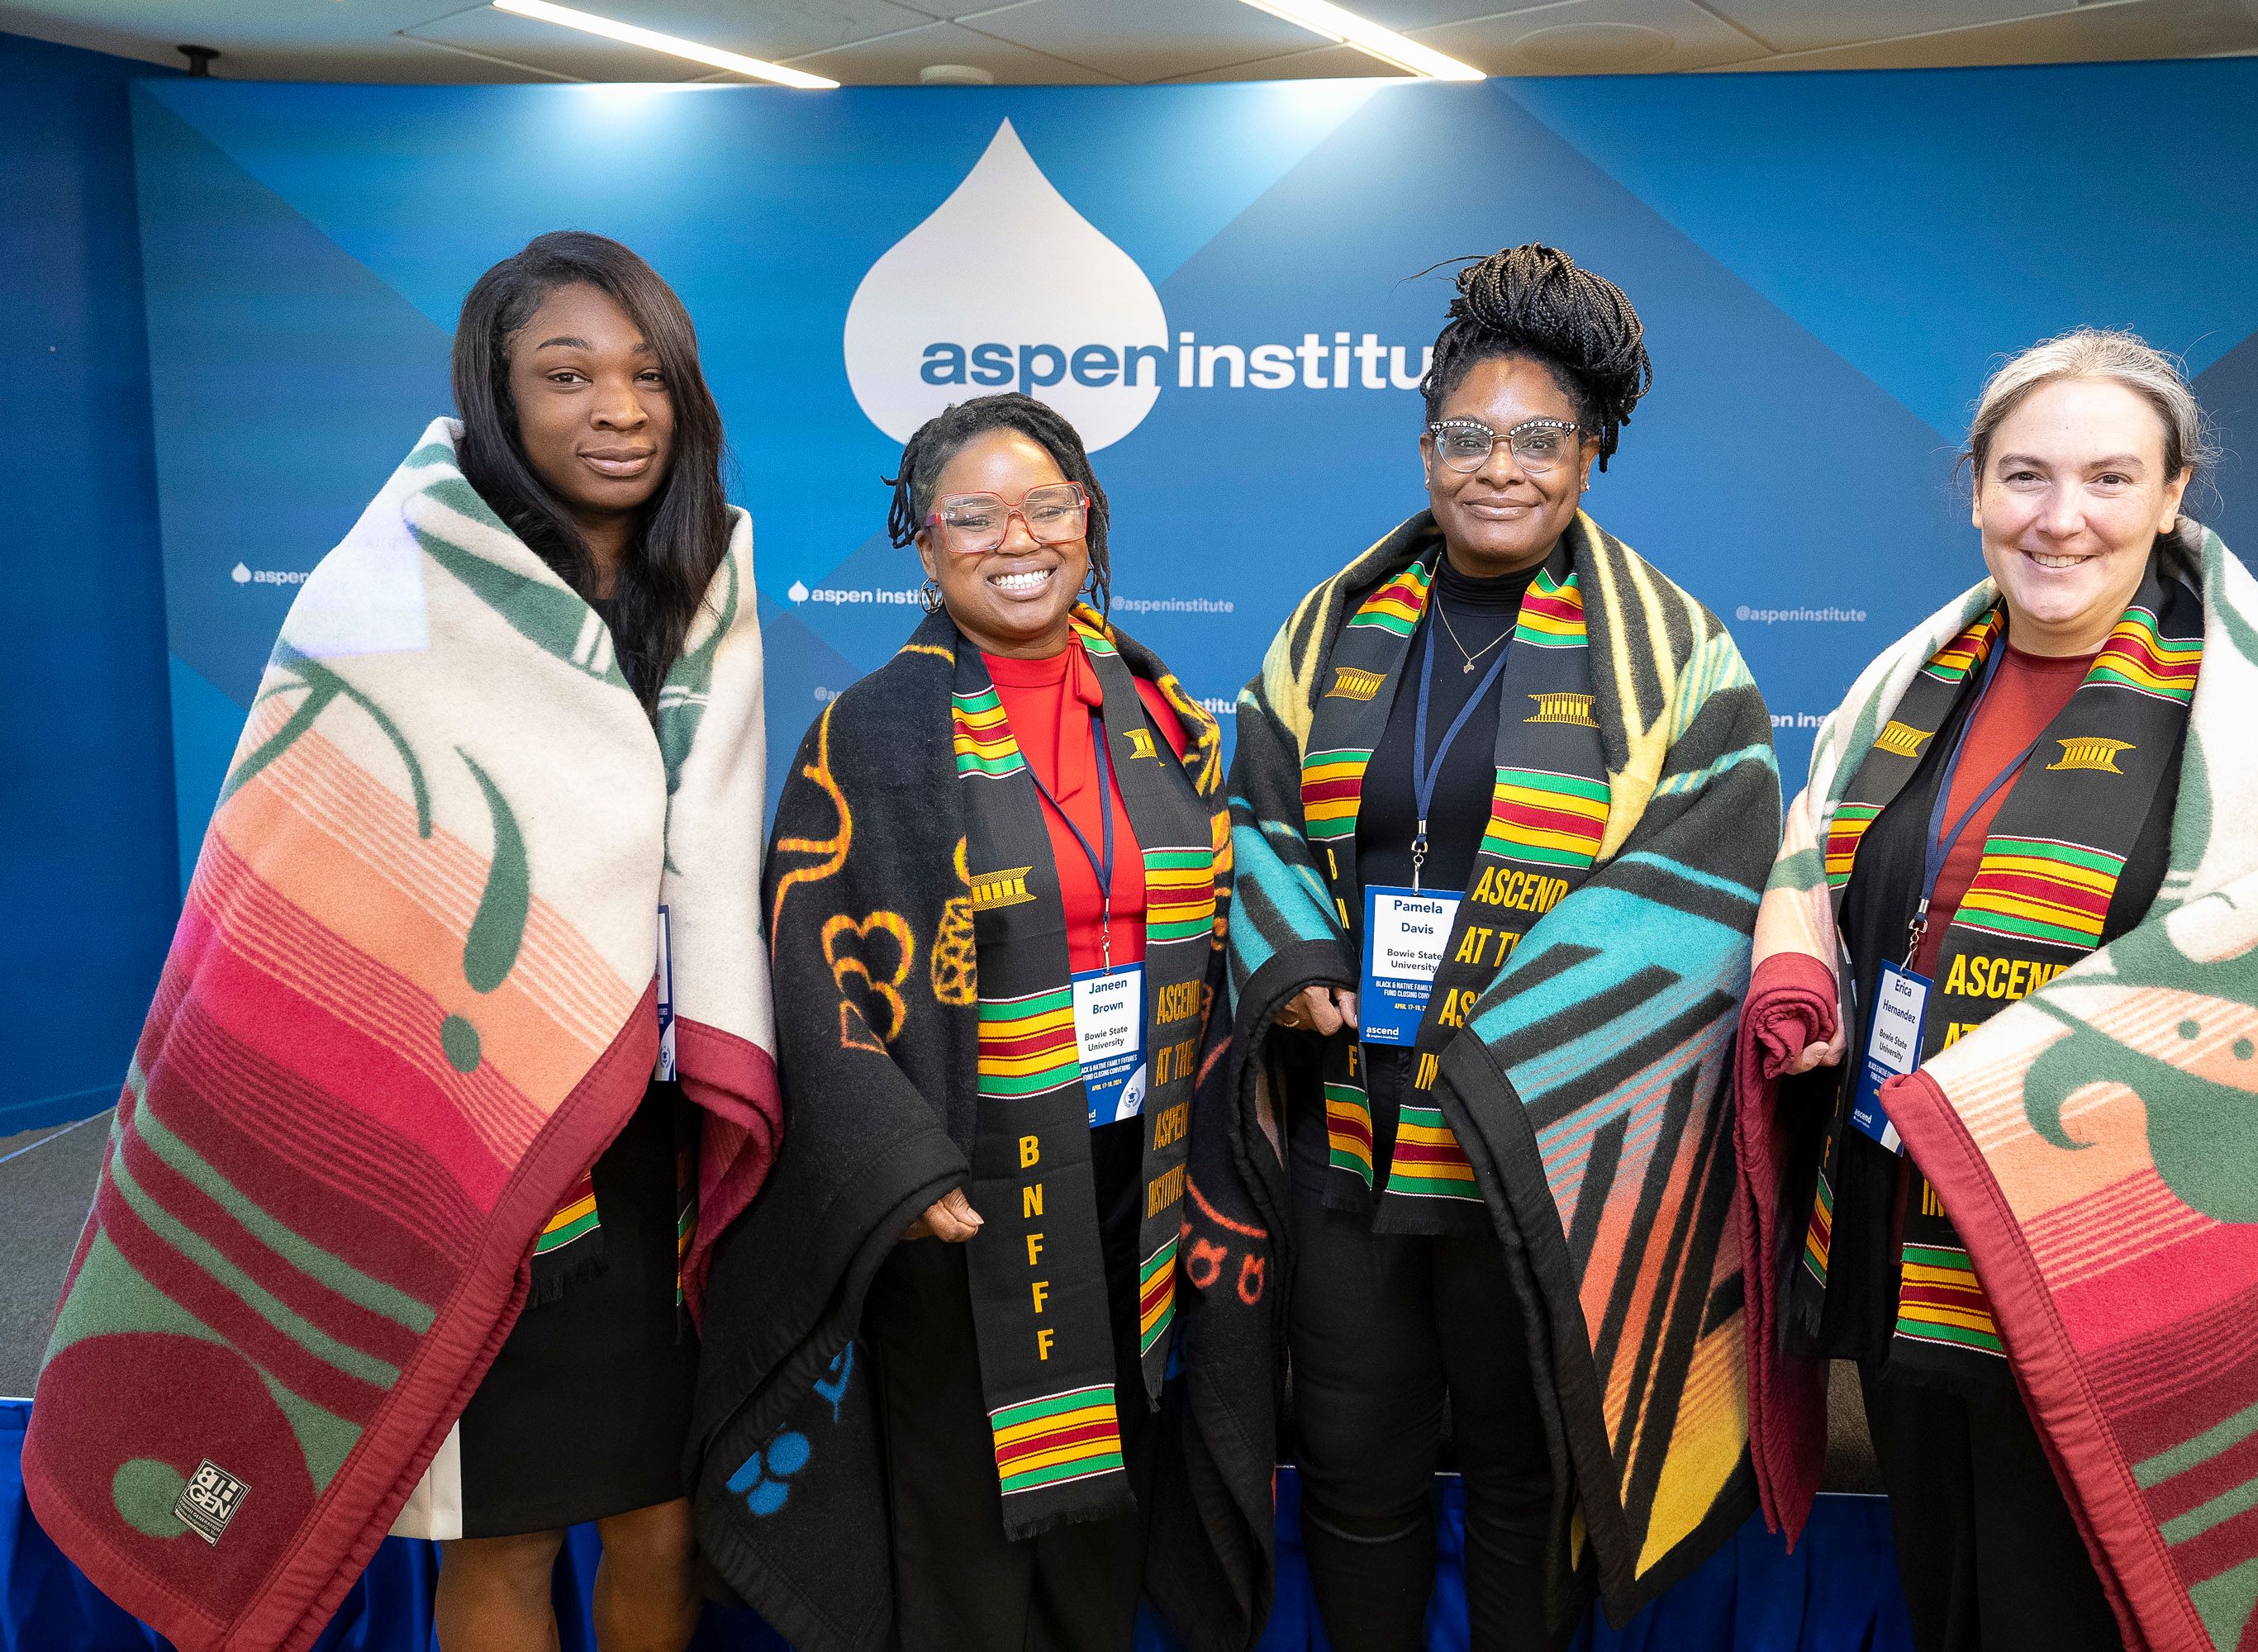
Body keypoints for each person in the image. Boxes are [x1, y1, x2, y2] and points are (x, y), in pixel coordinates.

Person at [24, 230, 778, 1652]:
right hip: (460, 1127)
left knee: (666, 1525)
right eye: (568, 375)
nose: (617, 409)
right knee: (499, 1537)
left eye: (646, 376)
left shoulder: (711, 577)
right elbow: (308, 872)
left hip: (652, 1141)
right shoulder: (395, 583)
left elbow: (710, 853)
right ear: (497, 393)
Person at [1735, 329, 2258, 1652]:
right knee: (1942, 1589)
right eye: (2024, 476)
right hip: (1900, 1221)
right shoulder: (1906, 684)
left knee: (2060, 1613)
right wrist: (1802, 972)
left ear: (2174, 493)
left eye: (2109, 479)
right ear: (1975, 490)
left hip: (2105, 1266)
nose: (2060, 519)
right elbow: (1819, 862)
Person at [1192, 244, 1780, 1650]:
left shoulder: (1679, 656)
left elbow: (1701, 877)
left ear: (1593, 455)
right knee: (1351, 1467)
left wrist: (1515, 1045)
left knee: (1527, 1480)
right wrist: (1302, 958)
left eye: (1539, 440)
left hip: (1541, 1158)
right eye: (1468, 437)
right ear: (1424, 446)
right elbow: (1250, 811)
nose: (1498, 468)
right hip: (1352, 1134)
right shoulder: (1329, 629)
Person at [690, 392, 1230, 1652]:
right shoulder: (870, 735)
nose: (1016, 537)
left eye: (1047, 505)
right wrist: (898, 1161)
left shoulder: (1165, 715)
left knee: (1108, 1504)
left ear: (1090, 523)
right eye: (973, 516)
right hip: (959, 1187)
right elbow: (804, 962)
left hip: (1132, 1176)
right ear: (924, 547)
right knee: (968, 1523)